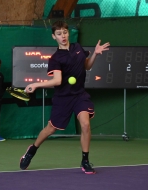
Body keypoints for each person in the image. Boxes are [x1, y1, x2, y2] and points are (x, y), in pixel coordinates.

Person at [19, 21, 110, 174]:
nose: (63, 36)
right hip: (63, 98)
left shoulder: (78, 48)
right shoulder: (55, 59)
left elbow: (87, 66)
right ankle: (32, 150)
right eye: (59, 34)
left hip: (80, 95)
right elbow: (57, 81)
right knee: (50, 129)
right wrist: (36, 84)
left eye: (65, 32)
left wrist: (95, 53)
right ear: (54, 36)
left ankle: (85, 160)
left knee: (86, 125)